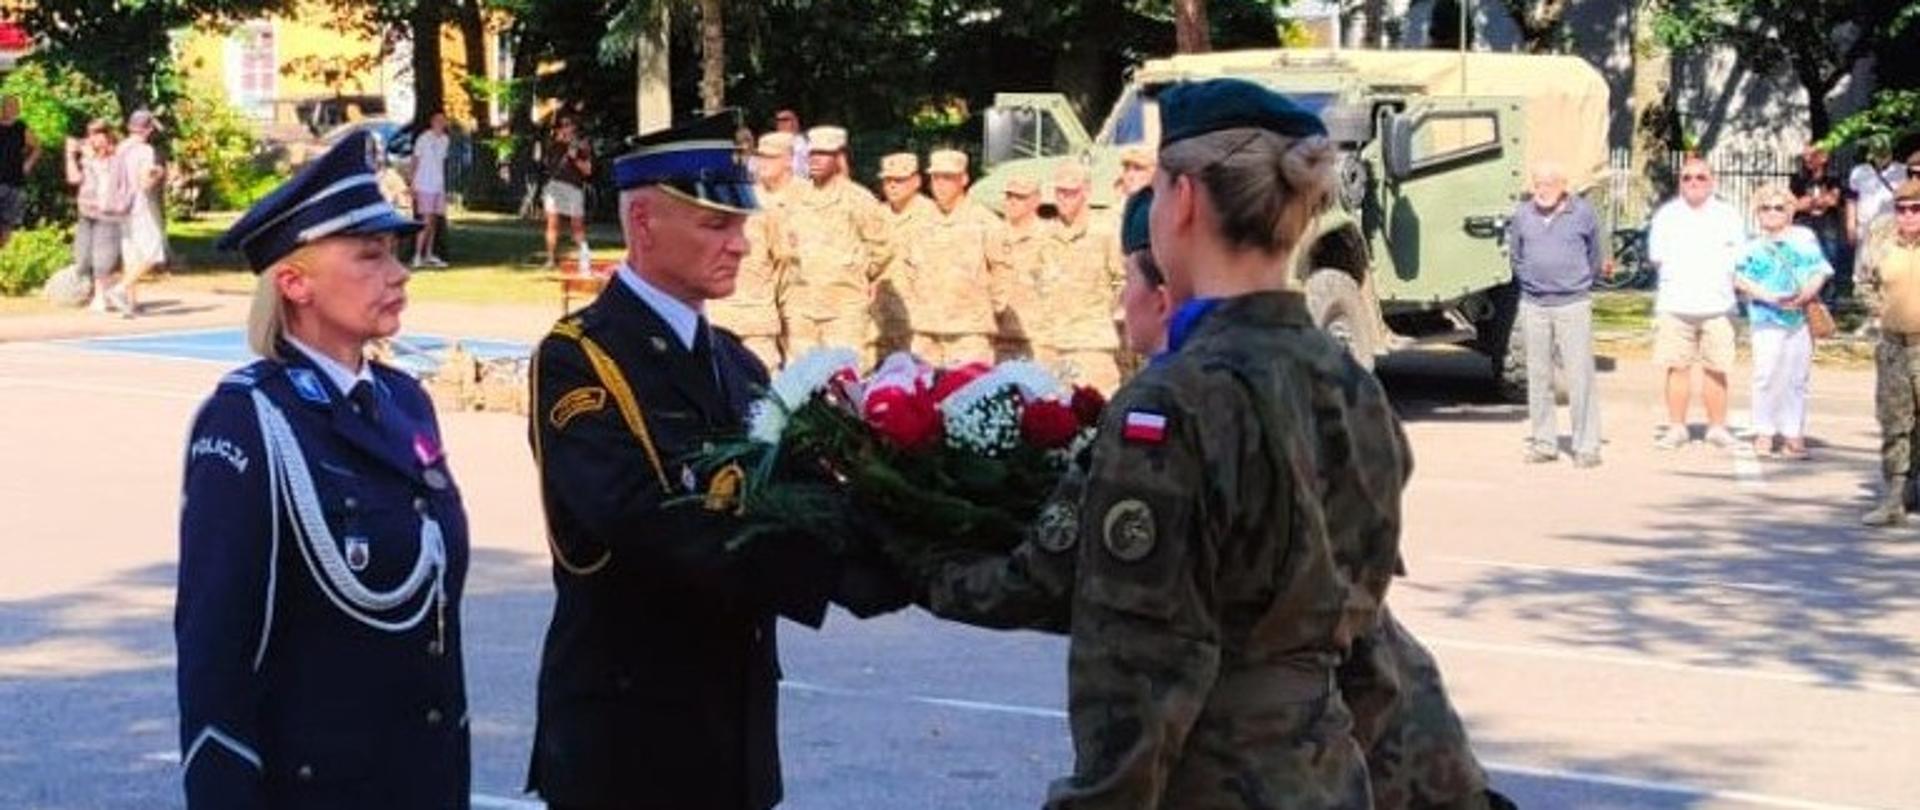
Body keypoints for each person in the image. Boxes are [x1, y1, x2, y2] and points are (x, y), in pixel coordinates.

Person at [905, 187, 1506, 810]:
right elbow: (1368, 639)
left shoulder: (1169, 412)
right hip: (1358, 763)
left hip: (1237, 768)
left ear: (1162, 291)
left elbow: (1120, 641)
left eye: (1127, 283)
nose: (1118, 307)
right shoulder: (1315, 380)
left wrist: (915, 564)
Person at [524, 111, 907, 810]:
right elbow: (641, 516)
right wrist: (837, 574)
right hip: (628, 743)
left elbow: (806, 489)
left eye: (740, 225)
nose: (740, 245)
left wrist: (912, 540)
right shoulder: (582, 357)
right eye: (714, 226)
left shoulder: (735, 359)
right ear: (643, 224)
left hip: (732, 734)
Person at [176, 131, 469, 807]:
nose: (397, 274)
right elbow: (217, 654)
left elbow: (434, 629)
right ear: (294, 282)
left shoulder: (404, 403)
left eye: (396, 253)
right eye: (369, 256)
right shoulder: (248, 420)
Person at [1509, 162, 1606, 467]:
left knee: (1580, 377)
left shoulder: (1583, 213)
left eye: (1550, 182)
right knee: (1538, 377)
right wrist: (1531, 282)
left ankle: (1587, 446)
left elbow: (1595, 255)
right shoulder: (1523, 214)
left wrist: (1576, 282)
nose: (1543, 188)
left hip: (1572, 303)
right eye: (1538, 182)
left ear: (1564, 186)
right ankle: (1544, 443)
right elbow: (1516, 255)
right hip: (1534, 304)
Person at [1646, 156, 1744, 450]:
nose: (1693, 183)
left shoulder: (1728, 215)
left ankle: (1717, 427)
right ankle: (1677, 427)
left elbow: (1740, 257)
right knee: (1677, 368)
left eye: (1700, 177)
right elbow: (1656, 256)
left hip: (1719, 305)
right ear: (1680, 182)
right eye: (1687, 177)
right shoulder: (1667, 216)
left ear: (1711, 181)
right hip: (1676, 304)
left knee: (1716, 368)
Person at [1733, 186, 1832, 459]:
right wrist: (1769, 297)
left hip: (1799, 316)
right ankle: (1764, 431)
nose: (1773, 213)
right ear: (1757, 213)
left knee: (1797, 378)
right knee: (1766, 374)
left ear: (1790, 211)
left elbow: (1819, 270)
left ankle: (1793, 432)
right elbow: (1740, 279)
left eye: (1780, 207)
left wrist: (1806, 294)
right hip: (1766, 317)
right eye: (1766, 208)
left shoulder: (1804, 237)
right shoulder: (1751, 245)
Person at [783, 125, 891, 365]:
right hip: (802, 306)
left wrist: (854, 270)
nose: (815, 160)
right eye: (812, 154)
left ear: (838, 157)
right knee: (799, 386)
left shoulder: (858, 198)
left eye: (823, 154)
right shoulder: (796, 197)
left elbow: (883, 246)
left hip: (844, 309)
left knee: (844, 381)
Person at [894, 149, 1007, 365]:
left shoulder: (985, 222)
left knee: (966, 395)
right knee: (921, 395)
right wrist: (915, 308)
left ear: (963, 179)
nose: (940, 185)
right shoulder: (918, 222)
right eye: (935, 178)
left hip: (969, 334)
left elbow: (1003, 273)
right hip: (925, 332)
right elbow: (906, 270)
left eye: (948, 178)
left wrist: (988, 312)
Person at [1858, 180, 1920, 526]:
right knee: (1895, 423)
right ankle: (1894, 498)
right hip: (1894, 345)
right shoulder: (1883, 242)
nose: (1908, 216)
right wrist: (1877, 311)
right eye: (1902, 209)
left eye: (1916, 209)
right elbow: (1865, 282)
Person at [710, 131, 798, 370]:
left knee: (765, 398)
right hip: (715, 320)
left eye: (739, 153)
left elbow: (783, 263)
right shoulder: (703, 204)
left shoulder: (764, 206)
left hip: (756, 325)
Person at [1039, 162, 1125, 391]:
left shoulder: (1105, 230)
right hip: (1051, 344)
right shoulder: (1046, 234)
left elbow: (1124, 279)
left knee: (1094, 417)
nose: (1064, 198)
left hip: (1092, 346)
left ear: (1086, 192)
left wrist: (1102, 312)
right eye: (1060, 192)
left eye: (1071, 192)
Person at [65, 119, 127, 314]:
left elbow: (106, 182)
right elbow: (74, 179)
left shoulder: (116, 158)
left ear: (107, 136)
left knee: (102, 260)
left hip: (107, 213)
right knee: (82, 259)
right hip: (86, 213)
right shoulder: (87, 157)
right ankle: (112, 289)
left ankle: (101, 297)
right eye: (90, 134)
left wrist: (91, 160)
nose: (93, 138)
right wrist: (69, 156)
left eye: (98, 134)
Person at [993, 175, 1051, 360]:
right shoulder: (992, 235)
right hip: (998, 338)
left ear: (1036, 201)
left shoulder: (1049, 237)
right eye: (1009, 197)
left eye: (1020, 198)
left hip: (1037, 339)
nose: (1012, 202)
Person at [1791, 146, 1850, 299]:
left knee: (1829, 259)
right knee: (1804, 260)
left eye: (1812, 155)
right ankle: (1806, 296)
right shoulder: (1798, 179)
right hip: (1805, 223)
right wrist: (1816, 201)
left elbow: (1833, 200)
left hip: (1828, 224)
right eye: (1805, 156)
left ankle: (1828, 299)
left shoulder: (1833, 178)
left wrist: (1811, 202)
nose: (1808, 159)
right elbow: (1795, 204)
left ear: (1823, 157)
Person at [542, 115, 594, 269]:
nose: (565, 129)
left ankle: (584, 255)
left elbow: (588, 171)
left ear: (574, 128)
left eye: (568, 125)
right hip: (554, 187)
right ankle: (550, 259)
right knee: (552, 223)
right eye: (562, 126)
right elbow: (546, 161)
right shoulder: (553, 145)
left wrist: (575, 157)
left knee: (577, 225)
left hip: (573, 189)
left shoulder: (581, 147)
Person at [410, 111, 452, 269]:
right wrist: (412, 183)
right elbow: (415, 159)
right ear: (432, 122)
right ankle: (417, 255)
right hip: (424, 183)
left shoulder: (445, 140)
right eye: (438, 121)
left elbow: (441, 163)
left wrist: (443, 187)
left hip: (437, 185)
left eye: (443, 121)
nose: (441, 123)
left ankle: (428, 254)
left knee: (434, 220)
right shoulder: (423, 138)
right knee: (425, 220)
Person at [1848, 143, 1907, 253]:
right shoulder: (1858, 172)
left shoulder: (1903, 170)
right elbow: (1851, 200)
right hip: (1865, 229)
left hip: (1893, 229)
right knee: (1865, 266)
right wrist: (1851, 227)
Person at [0, 94, 42, 249]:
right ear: (2, 107)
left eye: (14, 106)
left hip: (15, 182)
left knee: (7, 225)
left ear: (17, 110)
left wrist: (28, 164)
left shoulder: (21, 128)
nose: (10, 109)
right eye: (7, 105)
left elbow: (37, 147)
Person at [773, 109, 809, 181]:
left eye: (785, 120)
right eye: (778, 121)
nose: (781, 124)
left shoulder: (804, 145)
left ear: (795, 122)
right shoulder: (772, 144)